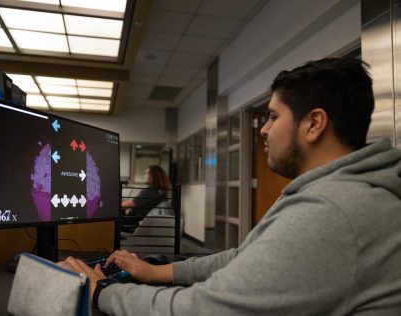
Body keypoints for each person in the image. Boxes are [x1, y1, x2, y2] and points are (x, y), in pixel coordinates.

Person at [58, 58, 401, 315]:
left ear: (313, 124)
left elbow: (204, 310)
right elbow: (245, 257)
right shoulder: (336, 192)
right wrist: (157, 272)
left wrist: (100, 290)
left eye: (273, 116)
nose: (263, 130)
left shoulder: (332, 210)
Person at [120, 165, 171, 231]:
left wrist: (114, 208)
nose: (145, 176)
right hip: (138, 222)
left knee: (109, 217)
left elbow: (132, 203)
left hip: (132, 223)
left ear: (153, 176)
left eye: (147, 173)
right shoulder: (160, 192)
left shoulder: (151, 191)